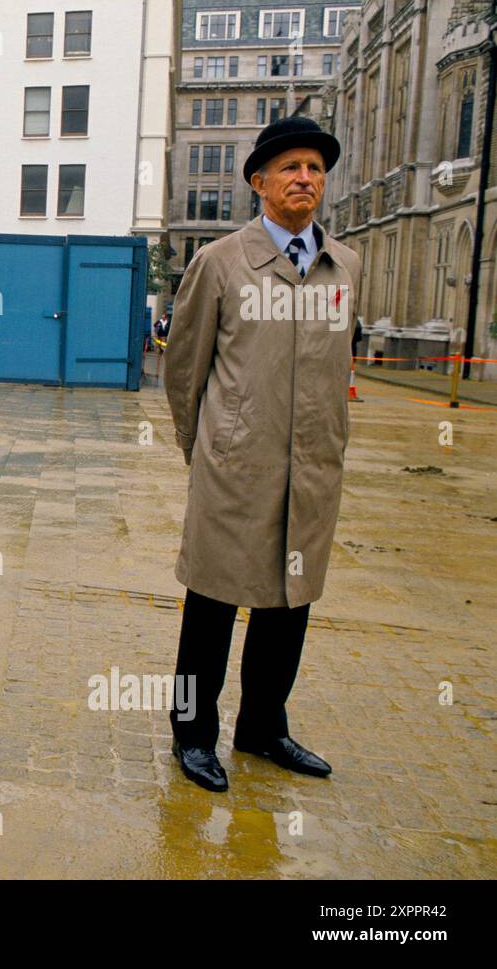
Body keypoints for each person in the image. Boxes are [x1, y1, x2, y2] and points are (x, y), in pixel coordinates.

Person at [164, 116, 362, 793]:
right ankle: (192, 735)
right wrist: (209, 446)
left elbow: (339, 365)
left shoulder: (346, 264)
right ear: (259, 182)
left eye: (315, 167)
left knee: (289, 601)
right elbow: (184, 372)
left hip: (312, 468)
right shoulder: (220, 262)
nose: (306, 177)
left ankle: (263, 727)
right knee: (212, 606)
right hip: (235, 468)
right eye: (290, 167)